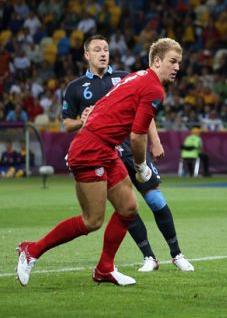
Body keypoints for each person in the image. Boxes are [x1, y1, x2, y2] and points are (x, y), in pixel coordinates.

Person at [16, 38, 185, 287]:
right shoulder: (153, 88)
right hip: (92, 149)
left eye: (179, 63)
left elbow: (104, 107)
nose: (177, 67)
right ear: (157, 61)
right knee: (92, 220)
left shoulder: (136, 77)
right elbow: (137, 136)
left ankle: (105, 269)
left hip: (105, 148)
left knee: (128, 207)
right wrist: (141, 167)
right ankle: (32, 250)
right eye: (173, 61)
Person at [60, 35, 193, 273]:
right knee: (127, 206)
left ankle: (177, 253)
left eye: (106, 49)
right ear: (86, 55)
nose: (103, 53)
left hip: (135, 147)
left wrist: (156, 140)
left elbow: (145, 114)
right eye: (97, 50)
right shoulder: (76, 88)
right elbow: (66, 124)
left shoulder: (125, 76)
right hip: (106, 150)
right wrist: (80, 121)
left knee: (155, 199)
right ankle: (149, 257)